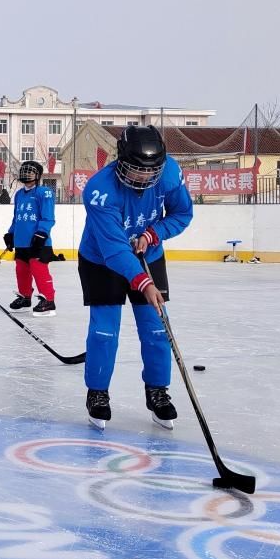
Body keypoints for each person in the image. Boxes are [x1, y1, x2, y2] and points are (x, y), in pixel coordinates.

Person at [78, 125, 193, 431]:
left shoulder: (169, 174)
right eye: (136, 170)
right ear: (120, 161)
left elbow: (182, 214)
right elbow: (115, 250)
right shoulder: (99, 190)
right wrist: (144, 282)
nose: (144, 178)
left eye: (151, 171)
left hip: (149, 255)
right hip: (102, 260)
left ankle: (157, 391)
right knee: (105, 331)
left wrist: (154, 233)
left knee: (156, 329)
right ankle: (98, 393)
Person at [3, 161, 57, 316]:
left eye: (30, 172)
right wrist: (10, 233)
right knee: (21, 270)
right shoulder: (19, 194)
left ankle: (49, 300)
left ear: (38, 175)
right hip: (21, 241)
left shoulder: (44, 192)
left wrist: (42, 232)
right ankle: (25, 297)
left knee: (39, 270)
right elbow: (17, 218)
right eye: (24, 171)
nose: (26, 174)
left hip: (38, 241)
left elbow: (48, 217)